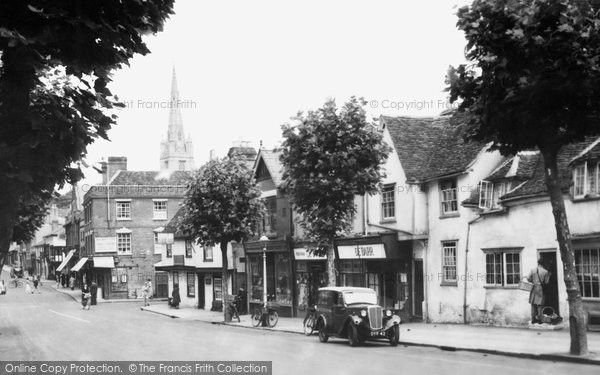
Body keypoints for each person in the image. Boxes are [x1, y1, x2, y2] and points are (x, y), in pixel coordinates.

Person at [527, 258, 550, 324]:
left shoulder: (533, 270)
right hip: (541, 289)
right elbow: (546, 282)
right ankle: (540, 319)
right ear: (543, 264)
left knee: (533, 304)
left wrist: (533, 281)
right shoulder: (545, 271)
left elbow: (528, 278)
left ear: (538, 263)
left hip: (534, 288)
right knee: (540, 304)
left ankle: (533, 319)